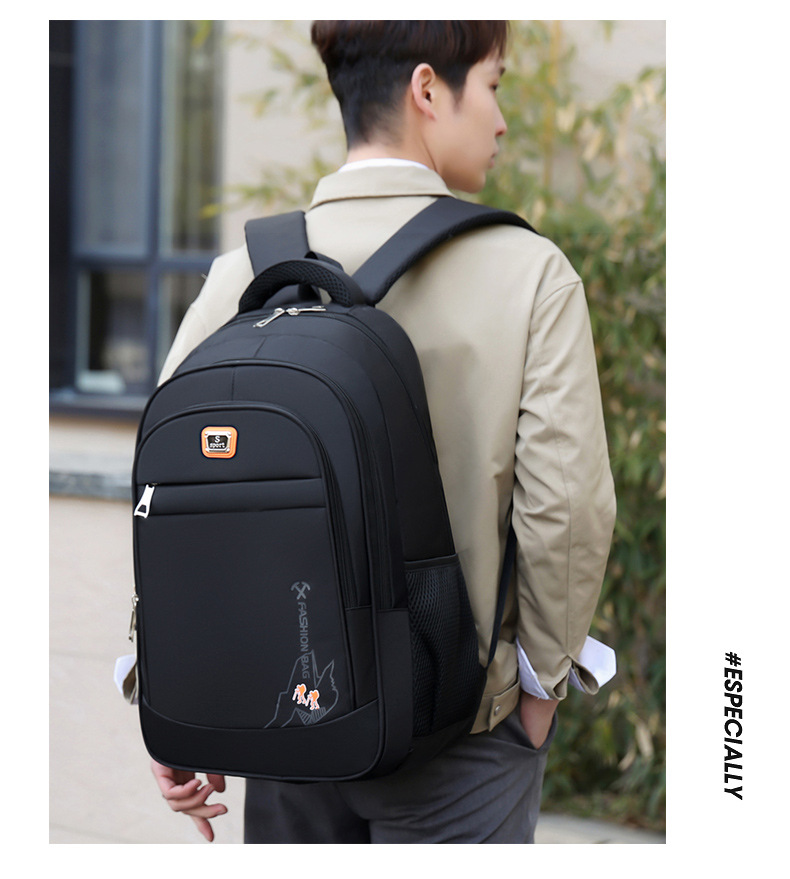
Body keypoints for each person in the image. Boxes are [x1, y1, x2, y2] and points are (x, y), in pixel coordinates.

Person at [150, 20, 616, 844]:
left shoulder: (243, 274)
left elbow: (166, 496)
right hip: (458, 742)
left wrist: (176, 695)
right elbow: (566, 508)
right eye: (494, 86)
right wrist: (537, 698)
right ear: (428, 90)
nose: (502, 120)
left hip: (288, 724)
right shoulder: (528, 273)